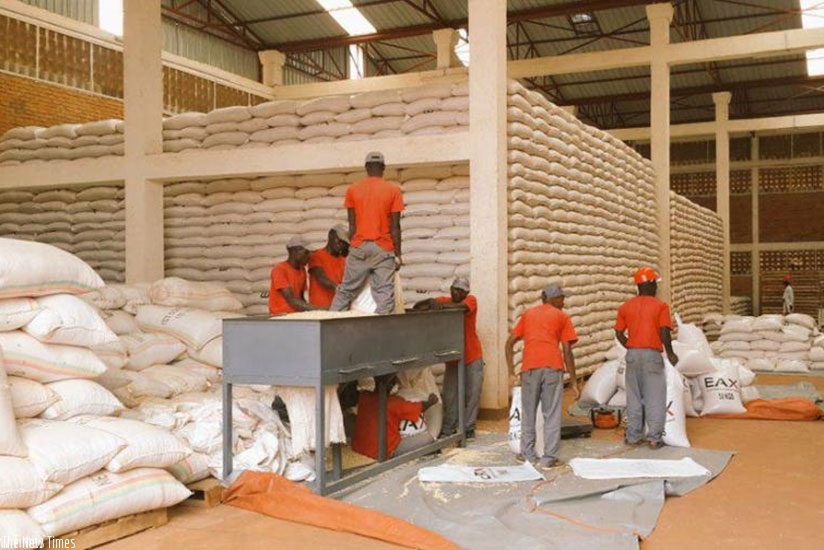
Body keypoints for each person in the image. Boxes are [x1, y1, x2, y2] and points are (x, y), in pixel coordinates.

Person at [505, 284, 579, 469]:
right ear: (552, 299)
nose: (564, 301)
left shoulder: (528, 315)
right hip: (552, 368)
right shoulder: (562, 317)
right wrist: (575, 380)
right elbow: (567, 350)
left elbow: (510, 343)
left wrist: (510, 371)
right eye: (561, 298)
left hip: (529, 368)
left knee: (528, 413)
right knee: (552, 414)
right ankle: (549, 458)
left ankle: (528, 456)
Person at [330, 152, 403, 315]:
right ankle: (383, 332)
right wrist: (398, 254)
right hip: (383, 249)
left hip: (359, 246)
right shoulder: (393, 190)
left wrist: (352, 249)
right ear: (383, 168)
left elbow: (352, 224)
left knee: (346, 290)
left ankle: (330, 322)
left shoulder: (353, 190)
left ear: (366, 168)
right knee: (384, 294)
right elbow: (395, 226)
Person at [614, 267, 679, 450]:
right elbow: (664, 331)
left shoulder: (626, 306)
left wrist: (631, 345)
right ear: (650, 285)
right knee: (655, 397)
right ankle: (654, 438)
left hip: (633, 355)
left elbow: (618, 333)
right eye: (655, 284)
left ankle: (633, 437)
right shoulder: (660, 306)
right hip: (651, 356)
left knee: (634, 397)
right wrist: (671, 352)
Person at [413, 277, 484, 439]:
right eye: (454, 289)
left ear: (466, 292)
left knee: (473, 392)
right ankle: (449, 427)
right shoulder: (445, 300)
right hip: (454, 357)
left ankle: (468, 427)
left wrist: (439, 306)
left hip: (472, 355)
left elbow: (459, 308)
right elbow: (418, 307)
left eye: (460, 291)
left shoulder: (471, 301)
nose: (456, 293)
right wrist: (429, 301)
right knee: (451, 395)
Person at [351, 374, 439, 460]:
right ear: (392, 384)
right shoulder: (394, 402)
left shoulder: (364, 396)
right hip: (384, 452)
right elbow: (420, 407)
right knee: (428, 438)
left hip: (359, 448)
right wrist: (432, 400)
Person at [267, 236, 319, 315]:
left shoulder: (302, 270)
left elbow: (301, 299)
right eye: (306, 252)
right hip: (281, 318)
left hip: (295, 317)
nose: (309, 256)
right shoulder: (279, 270)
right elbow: (292, 300)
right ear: (295, 251)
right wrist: (318, 309)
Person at [308, 224, 350, 308]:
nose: (340, 244)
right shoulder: (316, 256)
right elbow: (322, 279)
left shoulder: (343, 260)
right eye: (339, 240)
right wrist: (340, 289)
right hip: (320, 307)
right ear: (331, 235)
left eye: (344, 243)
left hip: (337, 306)